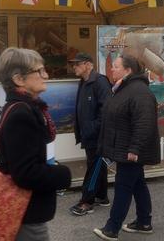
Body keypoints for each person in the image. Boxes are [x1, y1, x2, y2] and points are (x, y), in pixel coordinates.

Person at [0, 47, 72, 241]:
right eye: (39, 71)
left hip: (24, 210)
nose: (45, 75)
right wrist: (63, 174)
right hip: (24, 212)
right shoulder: (22, 113)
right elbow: (25, 173)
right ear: (19, 79)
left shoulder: (24, 108)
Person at [93, 54, 160, 241]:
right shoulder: (124, 88)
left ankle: (112, 229)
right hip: (125, 147)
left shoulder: (139, 91)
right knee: (138, 184)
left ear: (128, 70)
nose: (111, 69)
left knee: (123, 187)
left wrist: (135, 149)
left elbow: (144, 123)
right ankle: (144, 222)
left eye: (115, 66)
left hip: (131, 151)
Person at [68, 52, 112, 216]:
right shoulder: (84, 82)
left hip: (98, 136)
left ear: (88, 64)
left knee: (93, 168)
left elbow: (106, 111)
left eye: (77, 64)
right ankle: (102, 196)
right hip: (89, 135)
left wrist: (91, 128)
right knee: (98, 165)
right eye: (73, 64)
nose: (74, 67)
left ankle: (87, 201)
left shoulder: (99, 82)